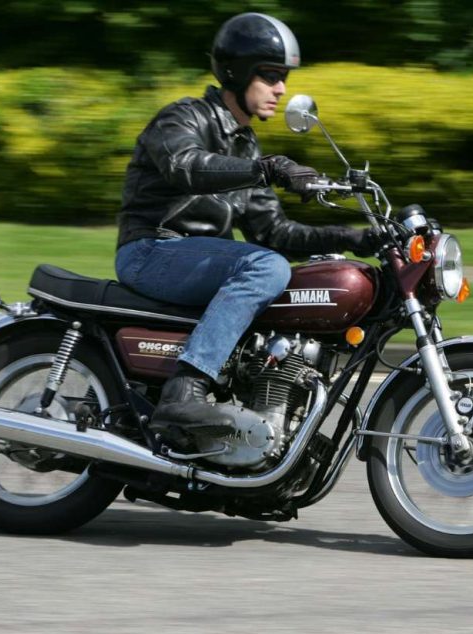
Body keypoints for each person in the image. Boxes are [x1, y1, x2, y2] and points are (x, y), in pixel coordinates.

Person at [114, 12, 373, 446]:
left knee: (290, 273)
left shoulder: (245, 145)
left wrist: (353, 239)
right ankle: (185, 390)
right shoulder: (183, 117)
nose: (281, 89)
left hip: (198, 262)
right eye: (270, 76)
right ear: (236, 71)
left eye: (284, 78)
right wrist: (267, 169)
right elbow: (185, 166)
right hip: (152, 250)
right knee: (266, 268)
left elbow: (274, 231)